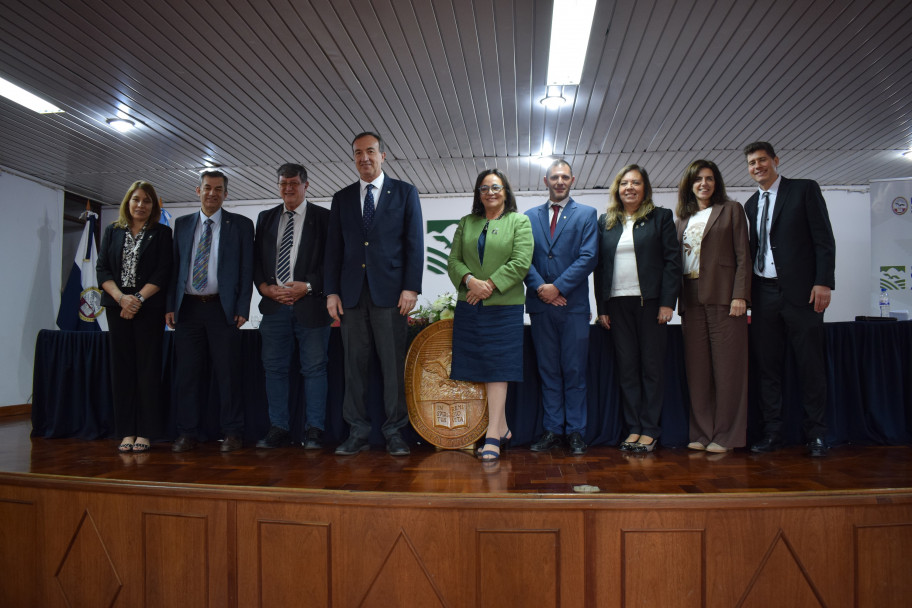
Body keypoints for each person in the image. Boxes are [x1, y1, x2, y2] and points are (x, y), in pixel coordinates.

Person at [325, 132, 424, 456]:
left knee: (393, 368)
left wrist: (411, 287)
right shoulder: (341, 198)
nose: (364, 158)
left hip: (392, 295)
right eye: (358, 153)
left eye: (370, 151)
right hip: (351, 298)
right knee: (353, 369)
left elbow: (414, 244)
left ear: (384, 155)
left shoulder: (405, 193)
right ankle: (357, 431)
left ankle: (395, 432)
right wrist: (332, 293)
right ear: (353, 158)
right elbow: (333, 251)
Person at [742, 142, 835, 457]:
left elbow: (824, 239)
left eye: (762, 160)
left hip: (802, 293)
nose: (758, 166)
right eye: (752, 163)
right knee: (768, 368)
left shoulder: (804, 190)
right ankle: (772, 434)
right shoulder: (751, 205)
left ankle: (817, 435)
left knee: (810, 365)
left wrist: (823, 282)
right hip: (763, 293)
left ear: (775, 161)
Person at [448, 169, 533, 462]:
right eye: (484, 188)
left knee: (499, 369)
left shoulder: (519, 222)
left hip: (504, 307)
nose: (490, 192)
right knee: (483, 368)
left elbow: (521, 261)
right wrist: (471, 281)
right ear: (478, 194)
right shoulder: (466, 222)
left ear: (506, 192)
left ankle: (493, 435)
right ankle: (504, 426)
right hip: (470, 304)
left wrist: (490, 285)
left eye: (496, 187)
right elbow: (453, 261)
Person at [594, 165, 680, 453]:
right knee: (627, 369)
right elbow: (601, 268)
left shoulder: (661, 217)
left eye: (636, 183)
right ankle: (633, 427)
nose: (629, 187)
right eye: (624, 183)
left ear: (645, 188)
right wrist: (602, 307)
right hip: (617, 305)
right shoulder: (606, 221)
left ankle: (650, 430)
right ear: (617, 189)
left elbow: (672, 262)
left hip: (652, 304)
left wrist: (668, 302)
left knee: (651, 369)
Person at [166, 170, 254, 452]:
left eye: (218, 189)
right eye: (207, 188)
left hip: (222, 309)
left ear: (226, 194)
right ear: (198, 191)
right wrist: (170, 306)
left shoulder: (240, 225)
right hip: (188, 309)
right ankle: (187, 432)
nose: (212, 193)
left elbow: (246, 269)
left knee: (228, 374)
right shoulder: (181, 225)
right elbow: (174, 269)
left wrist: (242, 306)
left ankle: (232, 432)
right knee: (188, 375)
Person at [253, 163, 332, 449]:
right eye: (283, 183)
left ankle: (314, 430)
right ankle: (279, 428)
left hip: (311, 306)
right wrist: (266, 289)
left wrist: (308, 286)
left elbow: (332, 264)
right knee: (274, 369)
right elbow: (257, 262)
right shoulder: (265, 218)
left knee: (314, 369)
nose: (288, 188)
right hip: (274, 308)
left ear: (306, 185)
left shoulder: (324, 218)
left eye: (294, 183)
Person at [675, 160, 751, 453]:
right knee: (698, 371)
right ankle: (702, 432)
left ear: (716, 183)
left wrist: (740, 295)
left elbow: (743, 254)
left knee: (728, 369)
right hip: (691, 298)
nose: (703, 184)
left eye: (709, 179)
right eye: (697, 179)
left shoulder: (731, 210)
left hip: (724, 297)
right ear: (689, 185)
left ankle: (727, 435)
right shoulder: (683, 219)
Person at [524, 160, 598, 455]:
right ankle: (553, 429)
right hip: (541, 307)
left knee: (574, 371)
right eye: (554, 177)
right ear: (545, 181)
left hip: (574, 308)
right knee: (548, 371)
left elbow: (588, 257)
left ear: (572, 180)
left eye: (564, 177)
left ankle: (576, 431)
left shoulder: (587, 214)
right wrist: (543, 289)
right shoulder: (528, 217)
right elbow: (522, 259)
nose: (559, 181)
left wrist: (558, 288)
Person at [97, 181, 172, 453]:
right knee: (123, 370)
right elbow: (103, 269)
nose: (141, 205)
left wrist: (138, 299)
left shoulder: (162, 233)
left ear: (153, 206)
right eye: (136, 199)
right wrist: (121, 299)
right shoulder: (112, 231)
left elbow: (163, 272)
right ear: (128, 202)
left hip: (148, 308)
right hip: (118, 308)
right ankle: (126, 431)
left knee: (148, 370)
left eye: (147, 201)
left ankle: (146, 431)